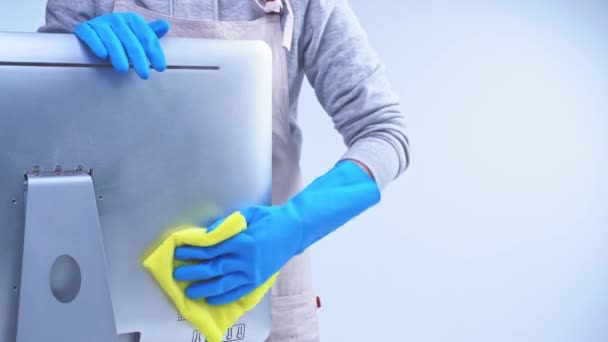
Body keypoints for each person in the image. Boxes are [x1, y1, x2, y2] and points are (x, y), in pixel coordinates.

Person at [39, 0, 409, 340]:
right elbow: (36, 134)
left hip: (264, 290)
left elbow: (384, 133)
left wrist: (295, 224)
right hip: (113, 292)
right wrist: (70, 59)